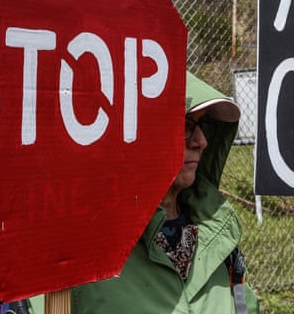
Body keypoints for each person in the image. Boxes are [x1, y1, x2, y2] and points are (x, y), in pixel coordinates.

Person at [61, 72, 260, 313]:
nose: (202, 141)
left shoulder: (218, 235)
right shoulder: (83, 258)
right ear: (137, 132)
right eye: (186, 126)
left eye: (205, 125)